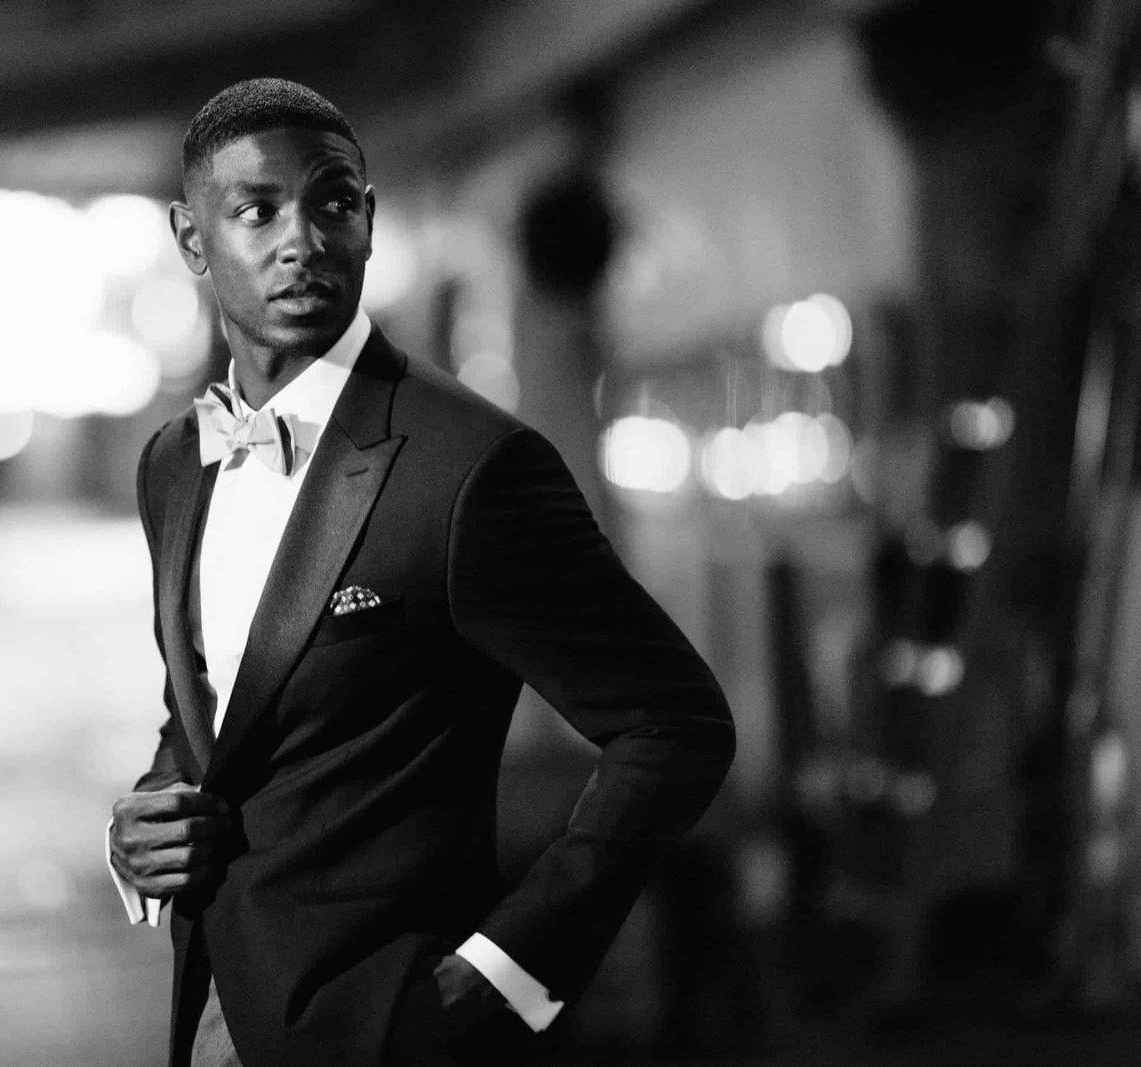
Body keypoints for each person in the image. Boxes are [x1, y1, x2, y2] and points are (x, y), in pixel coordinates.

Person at [108, 78, 735, 1067]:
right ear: (193, 240)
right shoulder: (171, 466)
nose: (300, 238)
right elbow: (208, 717)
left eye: (331, 201)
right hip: (213, 1018)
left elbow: (675, 725)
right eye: (256, 209)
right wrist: (146, 817)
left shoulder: (467, 468)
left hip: (397, 1032)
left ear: (366, 219)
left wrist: (503, 976)